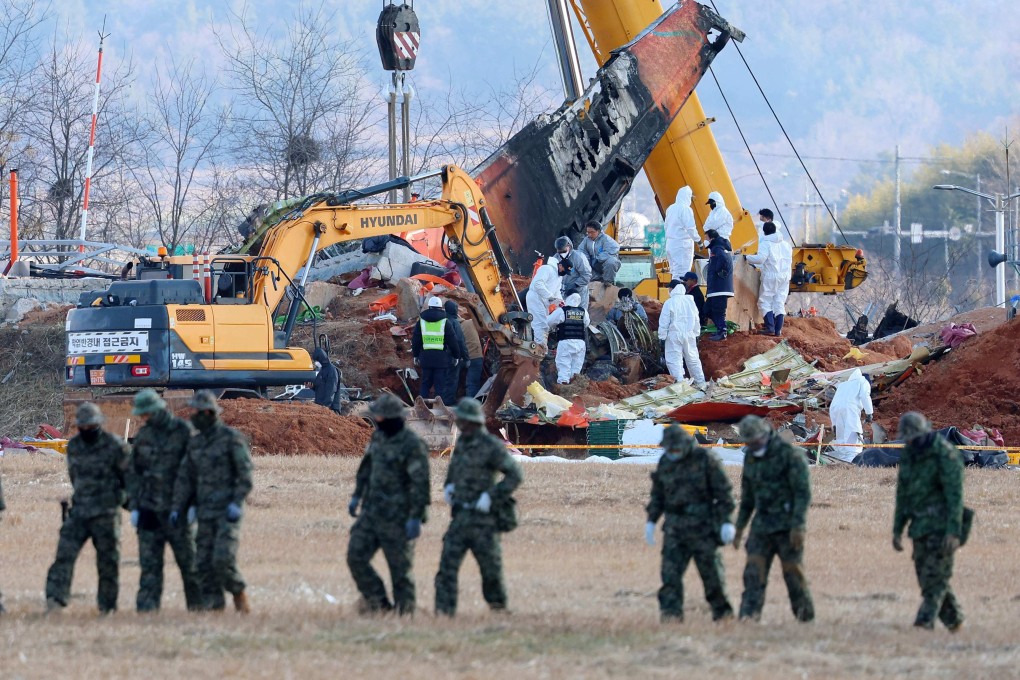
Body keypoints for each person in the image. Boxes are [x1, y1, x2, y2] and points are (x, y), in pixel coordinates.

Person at [435, 398, 523, 616]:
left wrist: (491, 497)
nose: (462, 425)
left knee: (490, 568)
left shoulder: (491, 446)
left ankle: (499, 608)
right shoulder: (462, 443)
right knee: (447, 566)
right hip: (461, 517)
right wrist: (449, 487)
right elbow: (454, 470)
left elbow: (515, 475)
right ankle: (444, 612)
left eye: (464, 421)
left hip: (484, 520)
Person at [347, 394, 431, 615]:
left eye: (379, 415)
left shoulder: (412, 445)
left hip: (399, 516)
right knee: (356, 556)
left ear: (390, 417)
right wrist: (357, 495)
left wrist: (416, 516)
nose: (376, 418)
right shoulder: (378, 438)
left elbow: (420, 483)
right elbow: (366, 468)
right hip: (372, 512)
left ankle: (405, 614)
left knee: (400, 570)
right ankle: (378, 603)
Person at [171, 391, 253, 613]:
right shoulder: (195, 443)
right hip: (204, 511)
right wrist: (179, 507)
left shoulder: (231, 439)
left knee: (222, 559)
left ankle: (238, 592)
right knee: (203, 563)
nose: (192, 416)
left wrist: (237, 502)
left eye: (196, 412)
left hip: (227, 510)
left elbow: (245, 475)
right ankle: (213, 607)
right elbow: (185, 479)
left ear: (207, 412)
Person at [45, 402, 130, 613]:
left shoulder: (116, 446)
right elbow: (75, 477)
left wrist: (127, 504)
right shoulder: (74, 446)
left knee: (108, 562)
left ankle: (107, 607)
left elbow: (130, 480)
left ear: (98, 424)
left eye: (90, 426)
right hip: (80, 512)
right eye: (83, 426)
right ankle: (55, 600)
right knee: (64, 556)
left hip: (107, 513)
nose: (86, 430)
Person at [646, 425, 735, 622]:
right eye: (669, 449)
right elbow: (658, 495)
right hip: (674, 530)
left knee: (713, 578)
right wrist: (651, 520)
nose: (673, 453)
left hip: (704, 530)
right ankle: (670, 618)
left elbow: (724, 495)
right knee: (670, 577)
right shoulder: (666, 462)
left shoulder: (706, 461)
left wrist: (727, 522)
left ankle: (724, 617)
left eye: (675, 449)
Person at [733, 416, 814, 623]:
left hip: (787, 528)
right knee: (753, 574)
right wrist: (740, 527)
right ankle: (749, 617)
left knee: (793, 575)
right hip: (761, 529)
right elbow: (748, 497)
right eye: (749, 443)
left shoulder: (790, 455)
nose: (753, 445)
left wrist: (798, 526)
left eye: (756, 441)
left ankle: (805, 618)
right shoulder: (751, 457)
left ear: (765, 435)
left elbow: (802, 494)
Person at [127, 389, 201, 612]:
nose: (143, 418)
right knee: (150, 566)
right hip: (149, 511)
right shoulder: (144, 435)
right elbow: (134, 473)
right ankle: (147, 611)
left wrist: (194, 504)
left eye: (146, 414)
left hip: (178, 510)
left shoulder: (183, 431)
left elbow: (196, 470)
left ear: (157, 410)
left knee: (190, 565)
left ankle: (199, 610)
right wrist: (134, 506)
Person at [892, 412, 966, 631]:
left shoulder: (945, 455)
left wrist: (954, 531)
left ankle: (923, 624)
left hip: (943, 527)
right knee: (928, 579)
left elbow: (955, 497)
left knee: (936, 578)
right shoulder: (909, 455)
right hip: (919, 528)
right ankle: (955, 620)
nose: (910, 441)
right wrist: (897, 529)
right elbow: (903, 494)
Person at [743, 221, 793, 336]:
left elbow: (760, 259)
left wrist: (747, 257)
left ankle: (770, 327)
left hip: (771, 276)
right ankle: (778, 330)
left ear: (764, 232)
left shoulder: (766, 243)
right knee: (779, 302)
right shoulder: (786, 245)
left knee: (765, 301)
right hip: (784, 277)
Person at [411, 296, 460, 402]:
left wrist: (415, 355)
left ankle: (421, 408)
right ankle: (439, 409)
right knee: (440, 387)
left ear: (429, 306)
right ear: (440, 308)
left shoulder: (421, 322)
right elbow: (453, 341)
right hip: (441, 360)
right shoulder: (445, 322)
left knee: (425, 384)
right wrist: (456, 356)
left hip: (426, 358)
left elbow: (416, 340)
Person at [658, 280, 706, 387]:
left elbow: (664, 321)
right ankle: (701, 383)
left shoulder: (669, 302)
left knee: (674, 360)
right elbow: (696, 318)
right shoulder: (690, 301)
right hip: (689, 334)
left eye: (669, 288)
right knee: (693, 359)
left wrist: (662, 336)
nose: (668, 290)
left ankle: (680, 384)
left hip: (674, 335)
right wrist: (696, 332)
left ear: (673, 288)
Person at [828, 369, 874, 461]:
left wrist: (834, 424)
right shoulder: (863, 381)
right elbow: (865, 395)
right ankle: (853, 462)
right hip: (850, 409)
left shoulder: (843, 385)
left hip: (835, 410)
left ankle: (843, 462)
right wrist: (869, 413)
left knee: (841, 438)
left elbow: (833, 405)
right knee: (853, 435)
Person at [546, 293, 590, 384]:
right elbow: (586, 324)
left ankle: (563, 388)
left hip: (566, 342)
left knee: (563, 366)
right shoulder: (584, 311)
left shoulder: (562, 311)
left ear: (567, 298)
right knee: (576, 368)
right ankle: (574, 388)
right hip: (580, 344)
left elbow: (549, 322)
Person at [525, 258, 567, 346]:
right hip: (536, 298)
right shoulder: (547, 269)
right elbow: (538, 284)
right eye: (565, 269)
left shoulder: (559, 277)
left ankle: (540, 348)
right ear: (560, 265)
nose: (565, 272)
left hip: (544, 302)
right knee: (541, 326)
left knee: (544, 326)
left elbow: (557, 291)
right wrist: (551, 297)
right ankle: (539, 349)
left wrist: (560, 302)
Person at [704, 229, 734, 341]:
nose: (705, 240)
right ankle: (721, 327)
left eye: (706, 238)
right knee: (707, 310)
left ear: (711, 238)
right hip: (715, 288)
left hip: (719, 288)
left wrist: (718, 270)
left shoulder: (717, 248)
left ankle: (722, 332)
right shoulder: (719, 247)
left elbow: (723, 259)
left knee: (718, 310)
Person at [664, 186, 700, 277]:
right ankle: (679, 291)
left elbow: (666, 226)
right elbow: (690, 228)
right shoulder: (685, 209)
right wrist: (698, 241)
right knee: (682, 274)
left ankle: (674, 290)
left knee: (674, 272)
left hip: (671, 244)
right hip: (682, 245)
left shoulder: (670, 208)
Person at [442, 300, 470, 404]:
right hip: (452, 357)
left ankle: (438, 400)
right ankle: (448, 402)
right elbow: (460, 341)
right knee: (451, 380)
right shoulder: (454, 323)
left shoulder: (441, 321)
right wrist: (466, 358)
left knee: (441, 380)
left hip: (440, 356)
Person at [555, 235, 592, 310]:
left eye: (563, 251)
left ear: (568, 246)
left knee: (580, 314)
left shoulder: (578, 257)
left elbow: (587, 275)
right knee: (564, 314)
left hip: (579, 292)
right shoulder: (556, 257)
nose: (562, 253)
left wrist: (575, 285)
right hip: (563, 291)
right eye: (560, 252)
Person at [459, 314, 485, 399]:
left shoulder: (453, 326)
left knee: (452, 380)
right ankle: (473, 404)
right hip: (477, 356)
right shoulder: (471, 322)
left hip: (464, 358)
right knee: (473, 383)